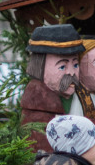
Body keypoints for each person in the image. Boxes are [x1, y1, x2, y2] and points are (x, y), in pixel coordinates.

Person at [21, 24, 85, 154]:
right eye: (62, 67)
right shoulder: (37, 111)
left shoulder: (81, 98)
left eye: (76, 64)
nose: (72, 73)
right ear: (39, 67)